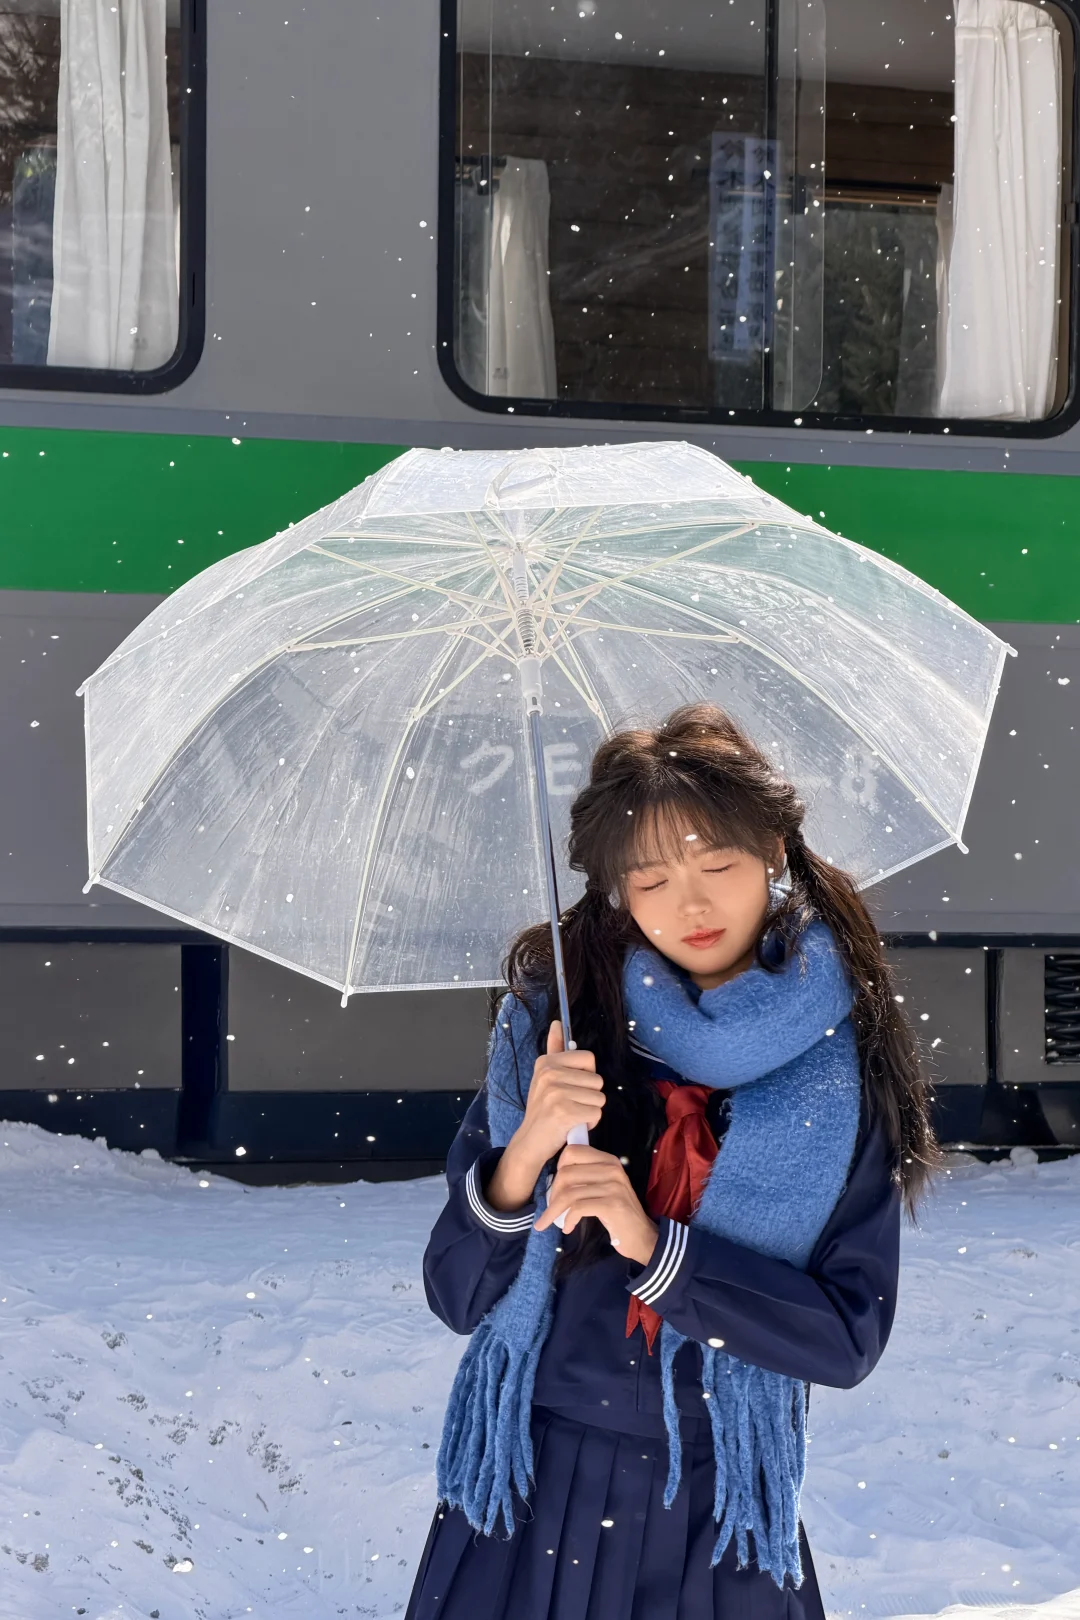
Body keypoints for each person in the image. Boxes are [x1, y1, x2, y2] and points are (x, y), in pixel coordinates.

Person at [405, 702, 940, 1620]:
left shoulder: (834, 1066)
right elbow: (458, 1298)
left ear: (775, 850)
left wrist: (656, 1248)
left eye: (719, 867)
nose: (688, 907)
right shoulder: (559, 1027)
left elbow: (846, 1339)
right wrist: (523, 1152)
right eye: (648, 880)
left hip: (719, 1503)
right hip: (529, 1489)